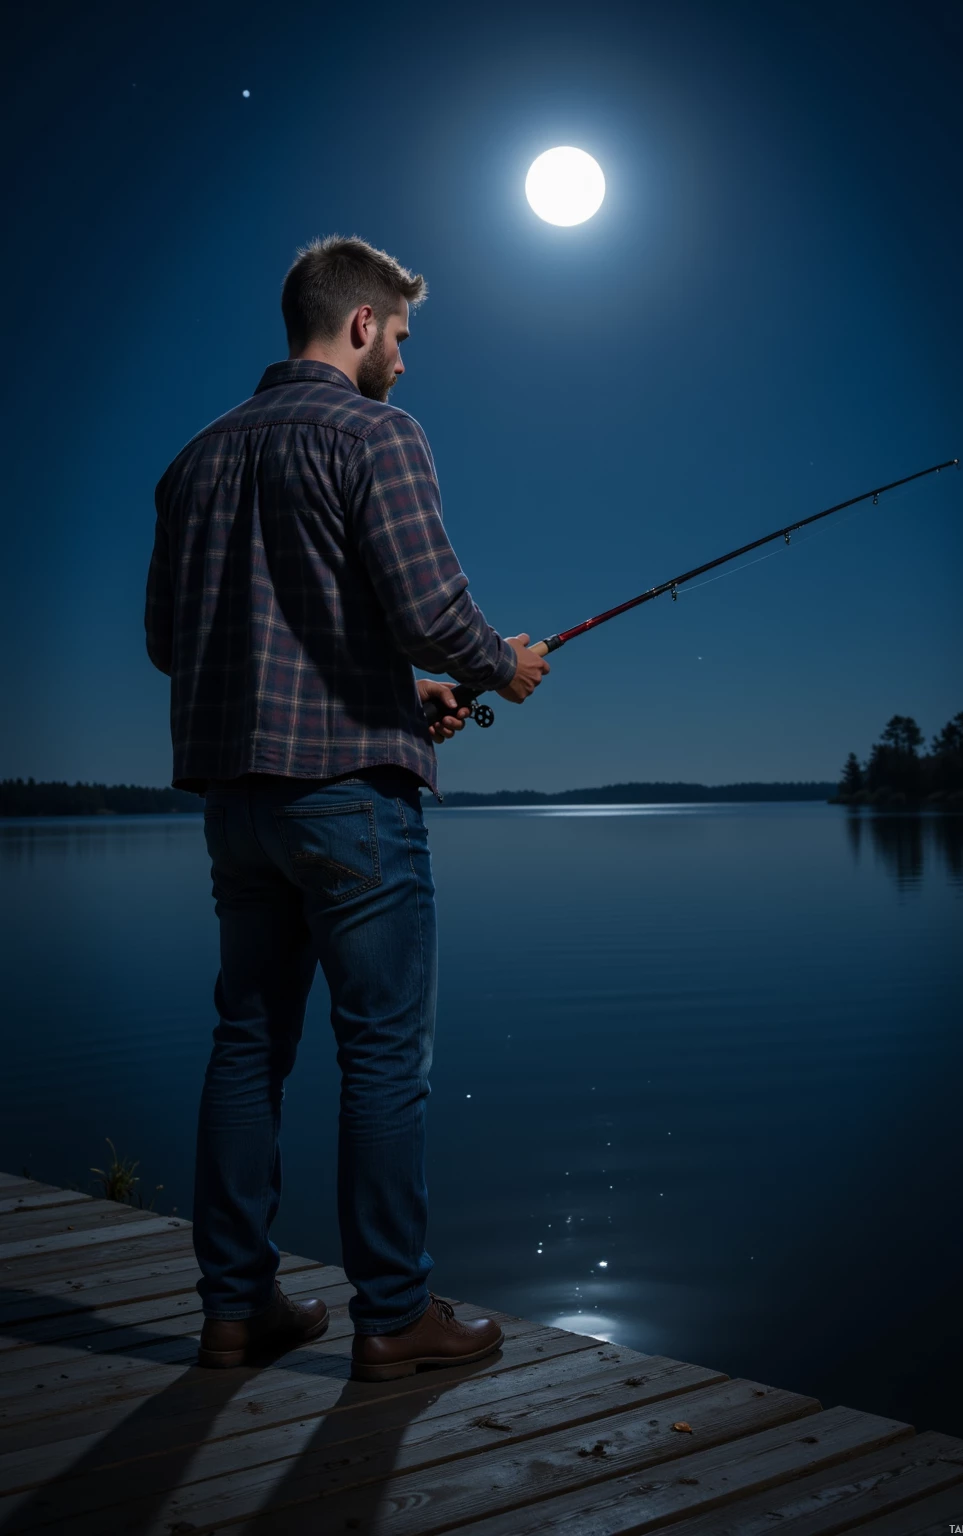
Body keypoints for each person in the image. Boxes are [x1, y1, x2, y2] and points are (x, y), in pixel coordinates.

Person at [145, 234, 549, 1379]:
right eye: (403, 339)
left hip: (238, 805)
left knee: (246, 1044)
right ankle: (392, 1318)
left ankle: (235, 1309)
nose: (408, 366)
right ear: (361, 324)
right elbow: (430, 606)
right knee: (380, 1059)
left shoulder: (192, 461)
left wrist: (397, 688)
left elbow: (170, 644)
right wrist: (494, 666)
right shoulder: (377, 434)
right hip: (354, 809)